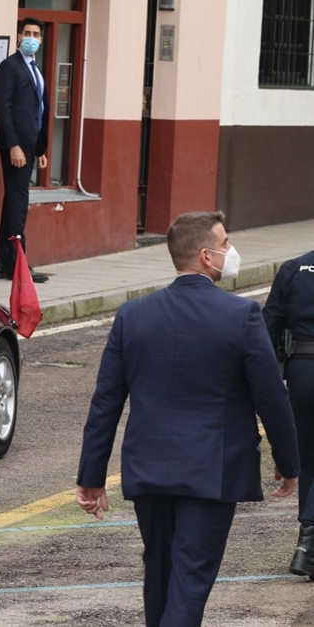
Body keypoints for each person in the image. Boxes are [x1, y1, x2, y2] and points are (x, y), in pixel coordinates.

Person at [75, 211, 300, 626]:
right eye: (226, 243)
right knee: (191, 580)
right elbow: (271, 399)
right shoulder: (241, 315)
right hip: (212, 471)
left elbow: (105, 402)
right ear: (205, 255)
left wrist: (91, 476)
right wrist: (288, 464)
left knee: (159, 574)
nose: (231, 251)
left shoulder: (132, 315)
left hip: (148, 467)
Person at [262, 250, 314, 579]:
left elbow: (268, 325)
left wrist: (268, 381)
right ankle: (308, 541)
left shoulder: (294, 268)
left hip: (301, 370)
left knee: (308, 459)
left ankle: (308, 550)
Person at [0, 17, 50, 283]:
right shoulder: (9, 67)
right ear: (18, 36)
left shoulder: (36, 69)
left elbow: (39, 110)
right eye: (26, 33)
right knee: (19, 204)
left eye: (35, 34)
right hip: (15, 147)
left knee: (14, 203)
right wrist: (13, 144)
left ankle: (5, 262)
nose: (31, 37)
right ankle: (17, 263)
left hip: (30, 147)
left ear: (40, 39)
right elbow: (2, 107)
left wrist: (40, 149)